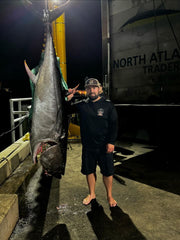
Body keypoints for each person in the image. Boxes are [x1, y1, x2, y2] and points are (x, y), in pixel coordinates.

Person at [69, 78, 118, 207]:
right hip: (88, 146)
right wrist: (68, 96)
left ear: (99, 89)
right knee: (89, 171)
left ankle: (109, 196)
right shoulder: (82, 105)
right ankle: (92, 194)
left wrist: (111, 142)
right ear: (86, 90)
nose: (92, 90)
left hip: (104, 146)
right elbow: (64, 109)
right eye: (89, 88)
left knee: (107, 172)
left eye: (94, 87)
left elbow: (114, 125)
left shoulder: (108, 105)